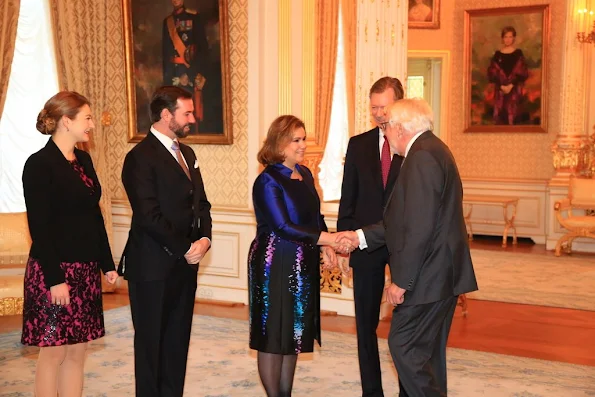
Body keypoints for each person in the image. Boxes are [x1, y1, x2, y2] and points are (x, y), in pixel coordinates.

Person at [340, 99, 478, 397]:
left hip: (429, 277)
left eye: (386, 125)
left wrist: (401, 281)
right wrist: (360, 237)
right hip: (440, 275)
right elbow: (404, 220)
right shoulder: (431, 150)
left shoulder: (422, 158)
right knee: (427, 355)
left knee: (403, 345)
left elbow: (418, 228)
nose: (384, 132)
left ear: (400, 128)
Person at [21, 91, 118, 397]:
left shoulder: (84, 160)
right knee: (53, 353)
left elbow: (94, 215)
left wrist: (106, 264)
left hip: (85, 269)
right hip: (55, 272)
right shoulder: (39, 164)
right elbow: (40, 227)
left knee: (78, 351)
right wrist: (55, 280)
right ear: (66, 121)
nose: (91, 124)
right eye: (87, 118)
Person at [119, 85, 212, 397]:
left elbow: (202, 205)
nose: (192, 118)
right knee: (150, 346)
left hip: (185, 266)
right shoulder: (139, 158)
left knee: (176, 342)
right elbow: (148, 215)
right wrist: (185, 248)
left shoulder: (188, 153)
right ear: (165, 115)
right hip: (151, 267)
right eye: (186, 112)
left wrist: (204, 239)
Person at [249, 115, 351, 397]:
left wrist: (326, 244)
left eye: (304, 138)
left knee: (293, 332)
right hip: (274, 264)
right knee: (273, 336)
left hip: (301, 262)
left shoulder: (305, 174)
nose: (303, 145)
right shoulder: (267, 180)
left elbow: (314, 217)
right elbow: (282, 226)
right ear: (279, 143)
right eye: (297, 140)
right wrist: (329, 239)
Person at [337, 76, 404, 397]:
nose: (378, 114)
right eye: (373, 108)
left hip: (405, 244)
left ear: (399, 104)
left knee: (405, 324)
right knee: (365, 324)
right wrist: (342, 243)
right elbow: (347, 197)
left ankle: (409, 388)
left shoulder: (413, 146)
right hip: (364, 243)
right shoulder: (358, 144)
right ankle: (371, 391)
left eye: (384, 107)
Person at [162, 0, 209, 131]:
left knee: (191, 116)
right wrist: (168, 80)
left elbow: (202, 49)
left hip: (191, 73)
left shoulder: (194, 17)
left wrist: (190, 74)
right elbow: (166, 54)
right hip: (175, 75)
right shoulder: (167, 22)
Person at [487, 26, 529, 125]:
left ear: (514, 38)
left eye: (510, 37)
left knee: (514, 116)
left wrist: (511, 85)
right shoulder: (497, 55)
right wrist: (501, 86)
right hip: (500, 92)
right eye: (506, 37)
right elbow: (492, 73)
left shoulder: (518, 54)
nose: (508, 39)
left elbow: (522, 72)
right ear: (502, 38)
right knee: (500, 118)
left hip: (514, 91)